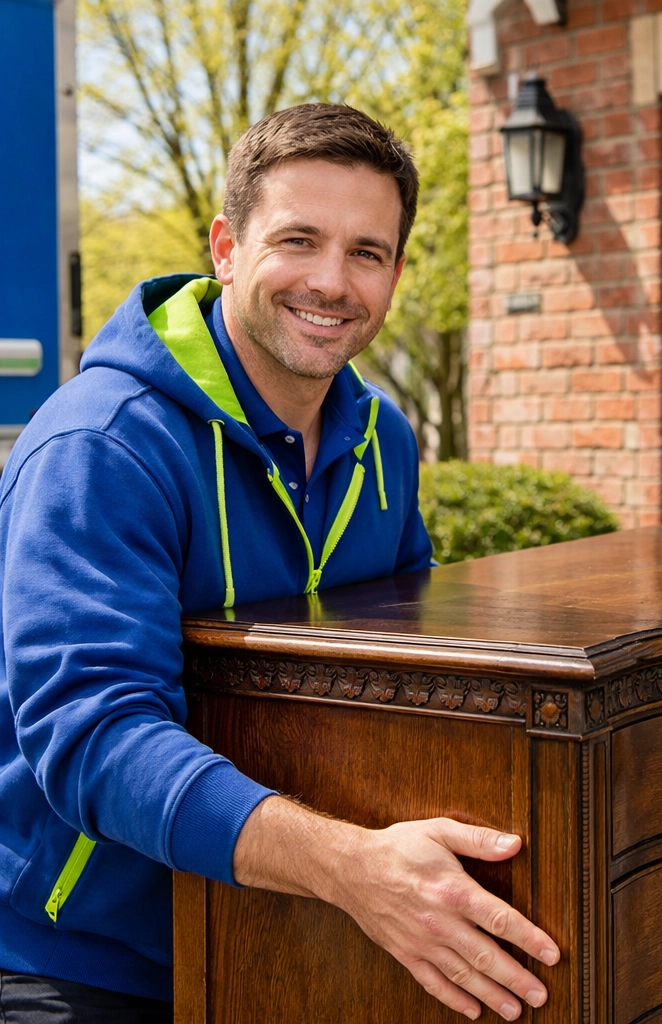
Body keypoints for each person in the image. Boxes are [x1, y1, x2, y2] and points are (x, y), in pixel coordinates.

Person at [0, 103, 558, 1024]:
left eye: (367, 252)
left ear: (396, 272)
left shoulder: (384, 441)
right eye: (298, 239)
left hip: (291, 933)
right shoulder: (101, 447)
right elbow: (94, 740)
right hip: (86, 960)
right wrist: (353, 869)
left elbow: (401, 679)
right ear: (225, 246)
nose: (332, 282)